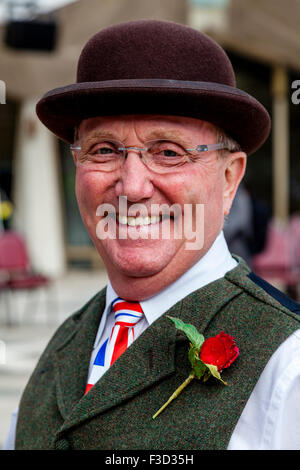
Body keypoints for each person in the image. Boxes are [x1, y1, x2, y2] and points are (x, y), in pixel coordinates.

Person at [4, 20, 300, 451]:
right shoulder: (65, 342)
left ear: (230, 178)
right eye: (104, 150)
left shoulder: (287, 368)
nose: (132, 186)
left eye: (168, 152)